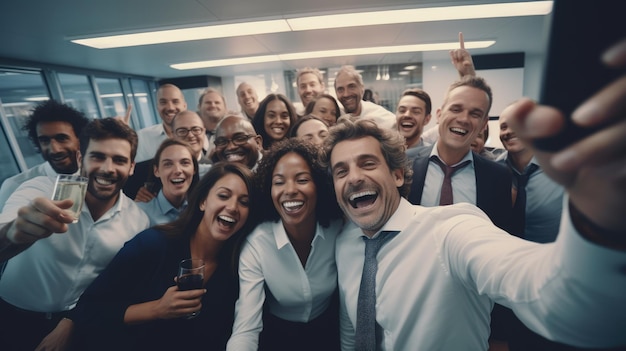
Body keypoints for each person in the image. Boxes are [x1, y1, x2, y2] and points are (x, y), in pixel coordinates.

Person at [320, 36, 626, 349]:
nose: (354, 177)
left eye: (368, 163)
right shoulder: (344, 245)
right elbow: (351, 331)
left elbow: (551, 296)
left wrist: (600, 221)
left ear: (398, 175)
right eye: (341, 171)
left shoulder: (453, 230)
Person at [70, 162, 258, 350]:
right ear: (203, 201)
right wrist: (157, 309)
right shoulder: (152, 244)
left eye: (245, 202)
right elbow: (89, 310)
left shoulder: (239, 267)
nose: (233, 207)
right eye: (223, 196)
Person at [0, 118, 150, 351]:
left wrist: (75, 321)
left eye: (119, 160)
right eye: (98, 156)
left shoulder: (138, 221)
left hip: (81, 326)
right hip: (12, 319)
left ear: (132, 167)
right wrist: (12, 233)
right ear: (81, 159)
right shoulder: (40, 188)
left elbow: (114, 285)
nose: (108, 168)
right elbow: (7, 227)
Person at [227, 138, 343, 351]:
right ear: (268, 190)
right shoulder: (257, 244)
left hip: (331, 330)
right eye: (279, 182)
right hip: (278, 337)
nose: (289, 190)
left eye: (302, 179)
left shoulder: (338, 229)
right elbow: (246, 327)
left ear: (319, 184)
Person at [407, 76, 517, 235]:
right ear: (439, 114)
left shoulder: (499, 178)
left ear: (483, 124)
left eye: (475, 114)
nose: (464, 119)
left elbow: (501, 238)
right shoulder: (403, 164)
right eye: (456, 109)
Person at [0, 100, 89, 205]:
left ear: (81, 139)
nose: (54, 150)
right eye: (45, 140)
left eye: (62, 138)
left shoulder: (97, 175)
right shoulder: (15, 186)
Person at [125, 110, 211, 202]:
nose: (190, 135)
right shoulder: (142, 171)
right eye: (182, 131)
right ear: (172, 134)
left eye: (196, 129)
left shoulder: (212, 169)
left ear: (204, 132)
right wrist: (137, 202)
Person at [137, 139, 200, 226]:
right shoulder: (140, 213)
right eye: (168, 164)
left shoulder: (202, 210)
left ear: (194, 169)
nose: (177, 170)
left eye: (185, 163)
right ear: (156, 171)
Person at [134, 84, 187, 163]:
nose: (170, 108)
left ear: (184, 106)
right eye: (163, 102)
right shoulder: (142, 138)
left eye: (175, 102)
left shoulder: (197, 136)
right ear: (157, 107)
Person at [334, 65, 395, 130]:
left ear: (362, 88)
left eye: (351, 87)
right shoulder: (335, 117)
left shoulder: (381, 117)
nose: (346, 94)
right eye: (340, 89)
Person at [197, 88, 227, 157]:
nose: (213, 105)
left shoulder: (233, 132)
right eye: (208, 103)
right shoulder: (192, 134)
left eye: (217, 102)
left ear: (225, 107)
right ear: (199, 107)